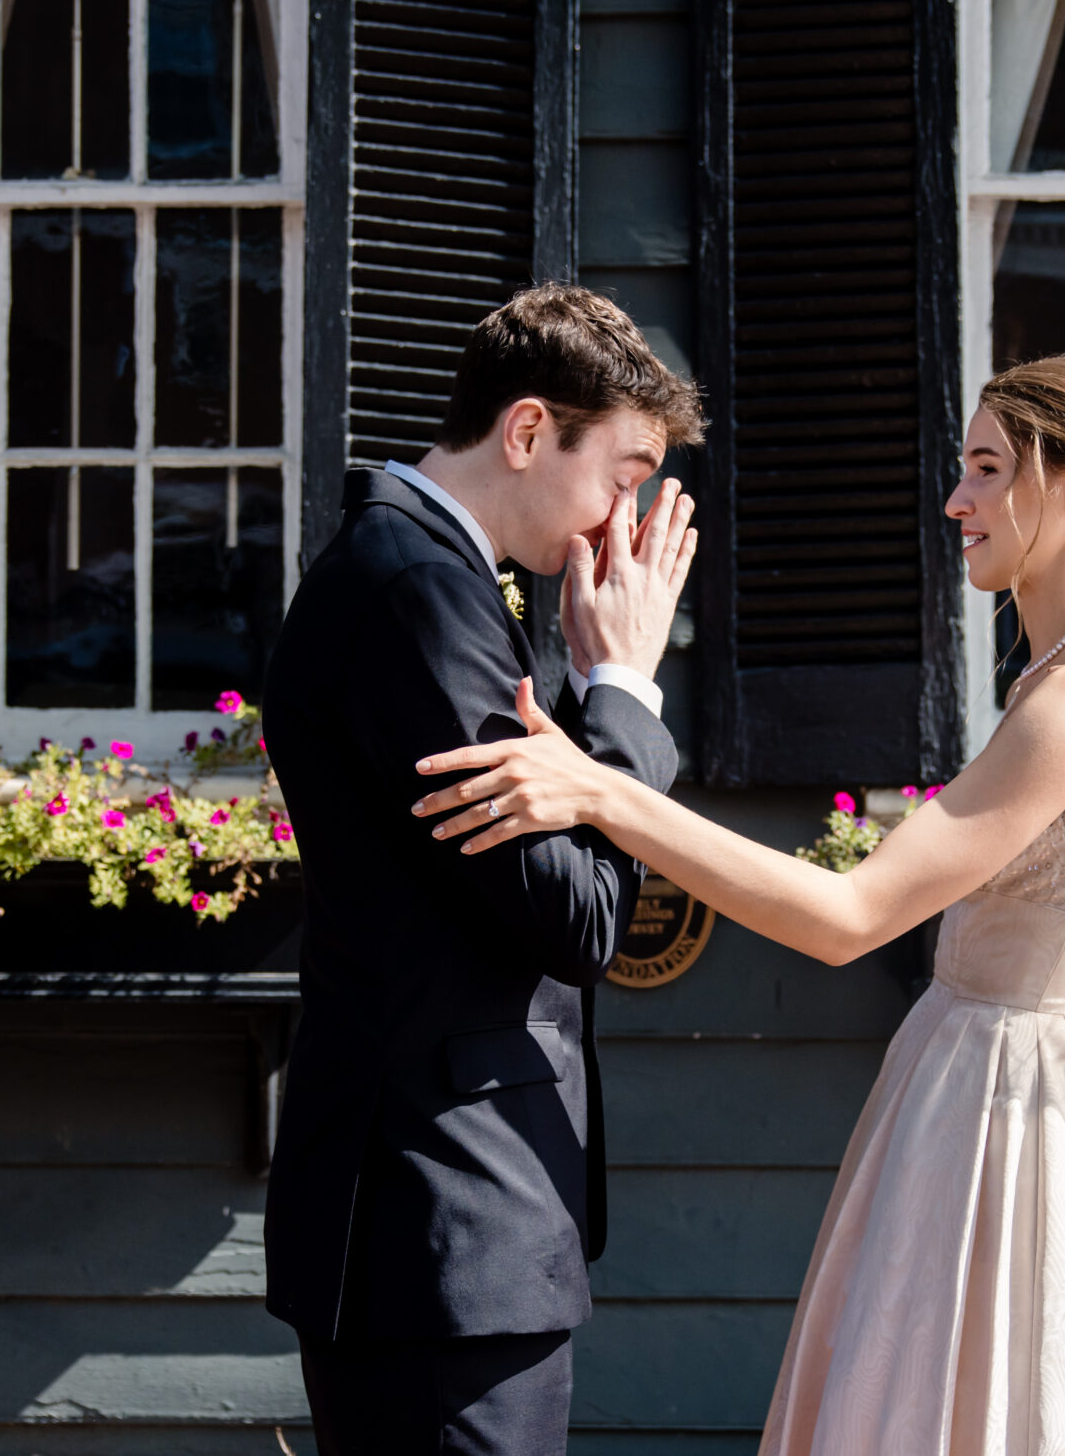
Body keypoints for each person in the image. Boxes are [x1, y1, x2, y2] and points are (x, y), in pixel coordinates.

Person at [411, 355, 1065, 1452]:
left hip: (1019, 1119)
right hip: (968, 1086)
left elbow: (848, 915)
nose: (955, 499)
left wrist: (603, 790)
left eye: (985, 469)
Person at [261, 284, 703, 1456]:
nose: (627, 519)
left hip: (445, 1215)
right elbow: (577, 914)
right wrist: (623, 689)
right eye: (622, 472)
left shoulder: (431, 578)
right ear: (524, 433)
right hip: (440, 1215)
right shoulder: (420, 594)